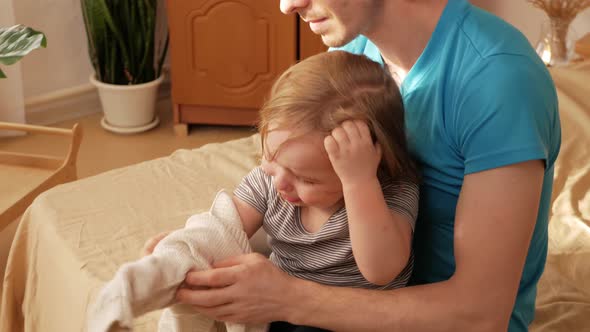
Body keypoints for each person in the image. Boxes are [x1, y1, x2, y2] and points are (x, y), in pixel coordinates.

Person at [164, 1, 561, 332]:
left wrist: (285, 298)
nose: (288, 6)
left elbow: (481, 314)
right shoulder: (354, 63)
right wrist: (199, 249)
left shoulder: (498, 80)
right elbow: (313, 212)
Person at [137, 50, 419, 331]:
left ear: (371, 164)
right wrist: (182, 250)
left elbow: (381, 270)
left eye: (306, 179)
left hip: (354, 318)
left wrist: (360, 183)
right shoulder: (269, 183)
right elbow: (221, 229)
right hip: (280, 306)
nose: (280, 183)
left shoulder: (390, 193)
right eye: (271, 161)